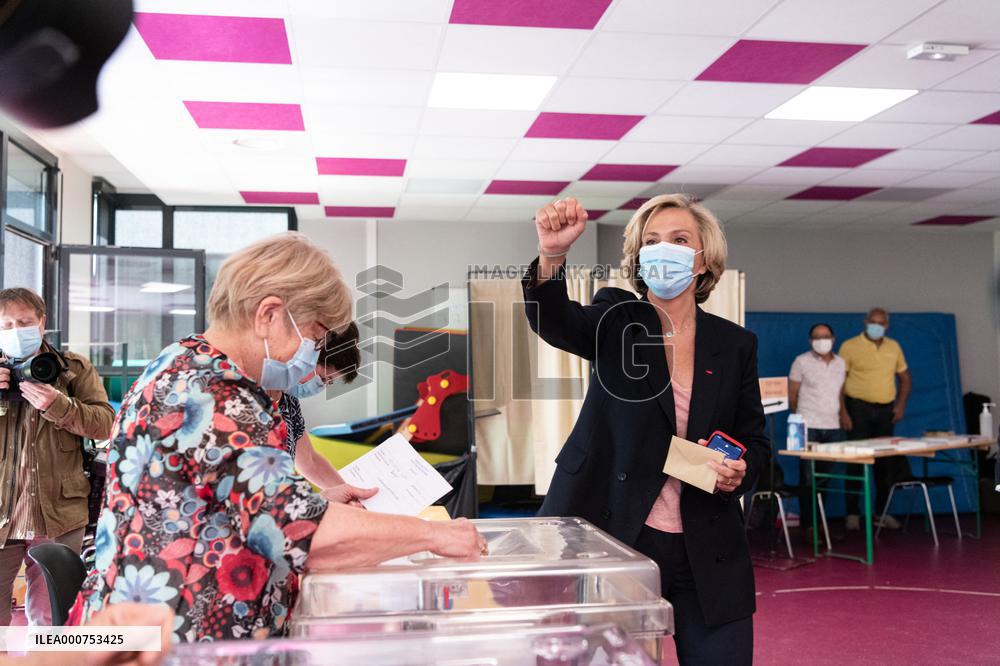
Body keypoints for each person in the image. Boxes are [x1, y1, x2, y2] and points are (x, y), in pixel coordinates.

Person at [71, 232, 485, 642]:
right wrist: (437, 535)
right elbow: (304, 531)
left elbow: (242, 503)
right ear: (269, 314)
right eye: (316, 336)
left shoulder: (184, 361)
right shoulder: (214, 397)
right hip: (178, 637)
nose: (313, 352)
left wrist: (324, 500)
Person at [524, 195, 769, 665]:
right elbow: (553, 320)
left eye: (680, 240)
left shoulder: (735, 344)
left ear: (703, 259)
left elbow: (755, 441)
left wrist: (741, 471)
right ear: (639, 257)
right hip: (615, 536)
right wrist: (552, 254)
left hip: (708, 547)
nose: (664, 250)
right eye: (652, 241)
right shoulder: (617, 320)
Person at [0, 288, 114, 626]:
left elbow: (105, 424)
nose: (16, 330)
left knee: (53, 614)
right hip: (3, 515)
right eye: (6, 324)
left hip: (60, 512)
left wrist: (57, 404)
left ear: (42, 323)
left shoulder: (73, 369)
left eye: (24, 322)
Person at [277, 322, 373, 505]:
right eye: (323, 379)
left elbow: (309, 460)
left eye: (328, 382)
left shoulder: (288, 402)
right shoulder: (250, 400)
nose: (321, 386)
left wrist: (352, 496)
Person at [839, 308, 912, 530]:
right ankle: (852, 513)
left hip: (885, 410)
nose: (877, 326)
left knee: (885, 463)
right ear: (865, 322)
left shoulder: (894, 346)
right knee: (855, 462)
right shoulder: (850, 346)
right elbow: (838, 381)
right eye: (873, 322)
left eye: (881, 323)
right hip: (857, 408)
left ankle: (881, 512)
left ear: (887, 325)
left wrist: (900, 405)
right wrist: (843, 412)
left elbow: (905, 379)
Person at [788, 323, 848, 543]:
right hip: (808, 426)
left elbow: (839, 394)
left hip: (833, 427)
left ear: (833, 338)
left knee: (825, 480)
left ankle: (821, 522)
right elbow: (792, 394)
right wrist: (801, 419)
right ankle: (809, 526)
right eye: (816, 337)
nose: (821, 340)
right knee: (808, 479)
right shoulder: (801, 362)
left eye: (825, 336)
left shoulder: (841, 363)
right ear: (810, 340)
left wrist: (844, 414)